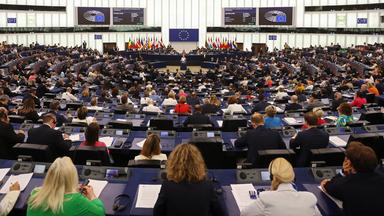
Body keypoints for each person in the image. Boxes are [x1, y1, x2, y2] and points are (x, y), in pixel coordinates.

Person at [153, 144, 224, 216]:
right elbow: (219, 212)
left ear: (173, 162)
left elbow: (157, 212)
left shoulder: (167, 185)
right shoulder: (208, 186)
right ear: (198, 162)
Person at [321, 142, 384, 216]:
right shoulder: (381, 177)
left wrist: (343, 172)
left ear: (349, 163)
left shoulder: (346, 184)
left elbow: (326, 185)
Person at [241, 158, 321, 216]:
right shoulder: (310, 198)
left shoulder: (266, 198)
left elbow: (244, 214)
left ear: (271, 177)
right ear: (293, 176)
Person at [27, 157, 105, 215]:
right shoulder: (76, 200)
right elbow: (100, 213)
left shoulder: (35, 194)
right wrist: (92, 196)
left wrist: (71, 188)